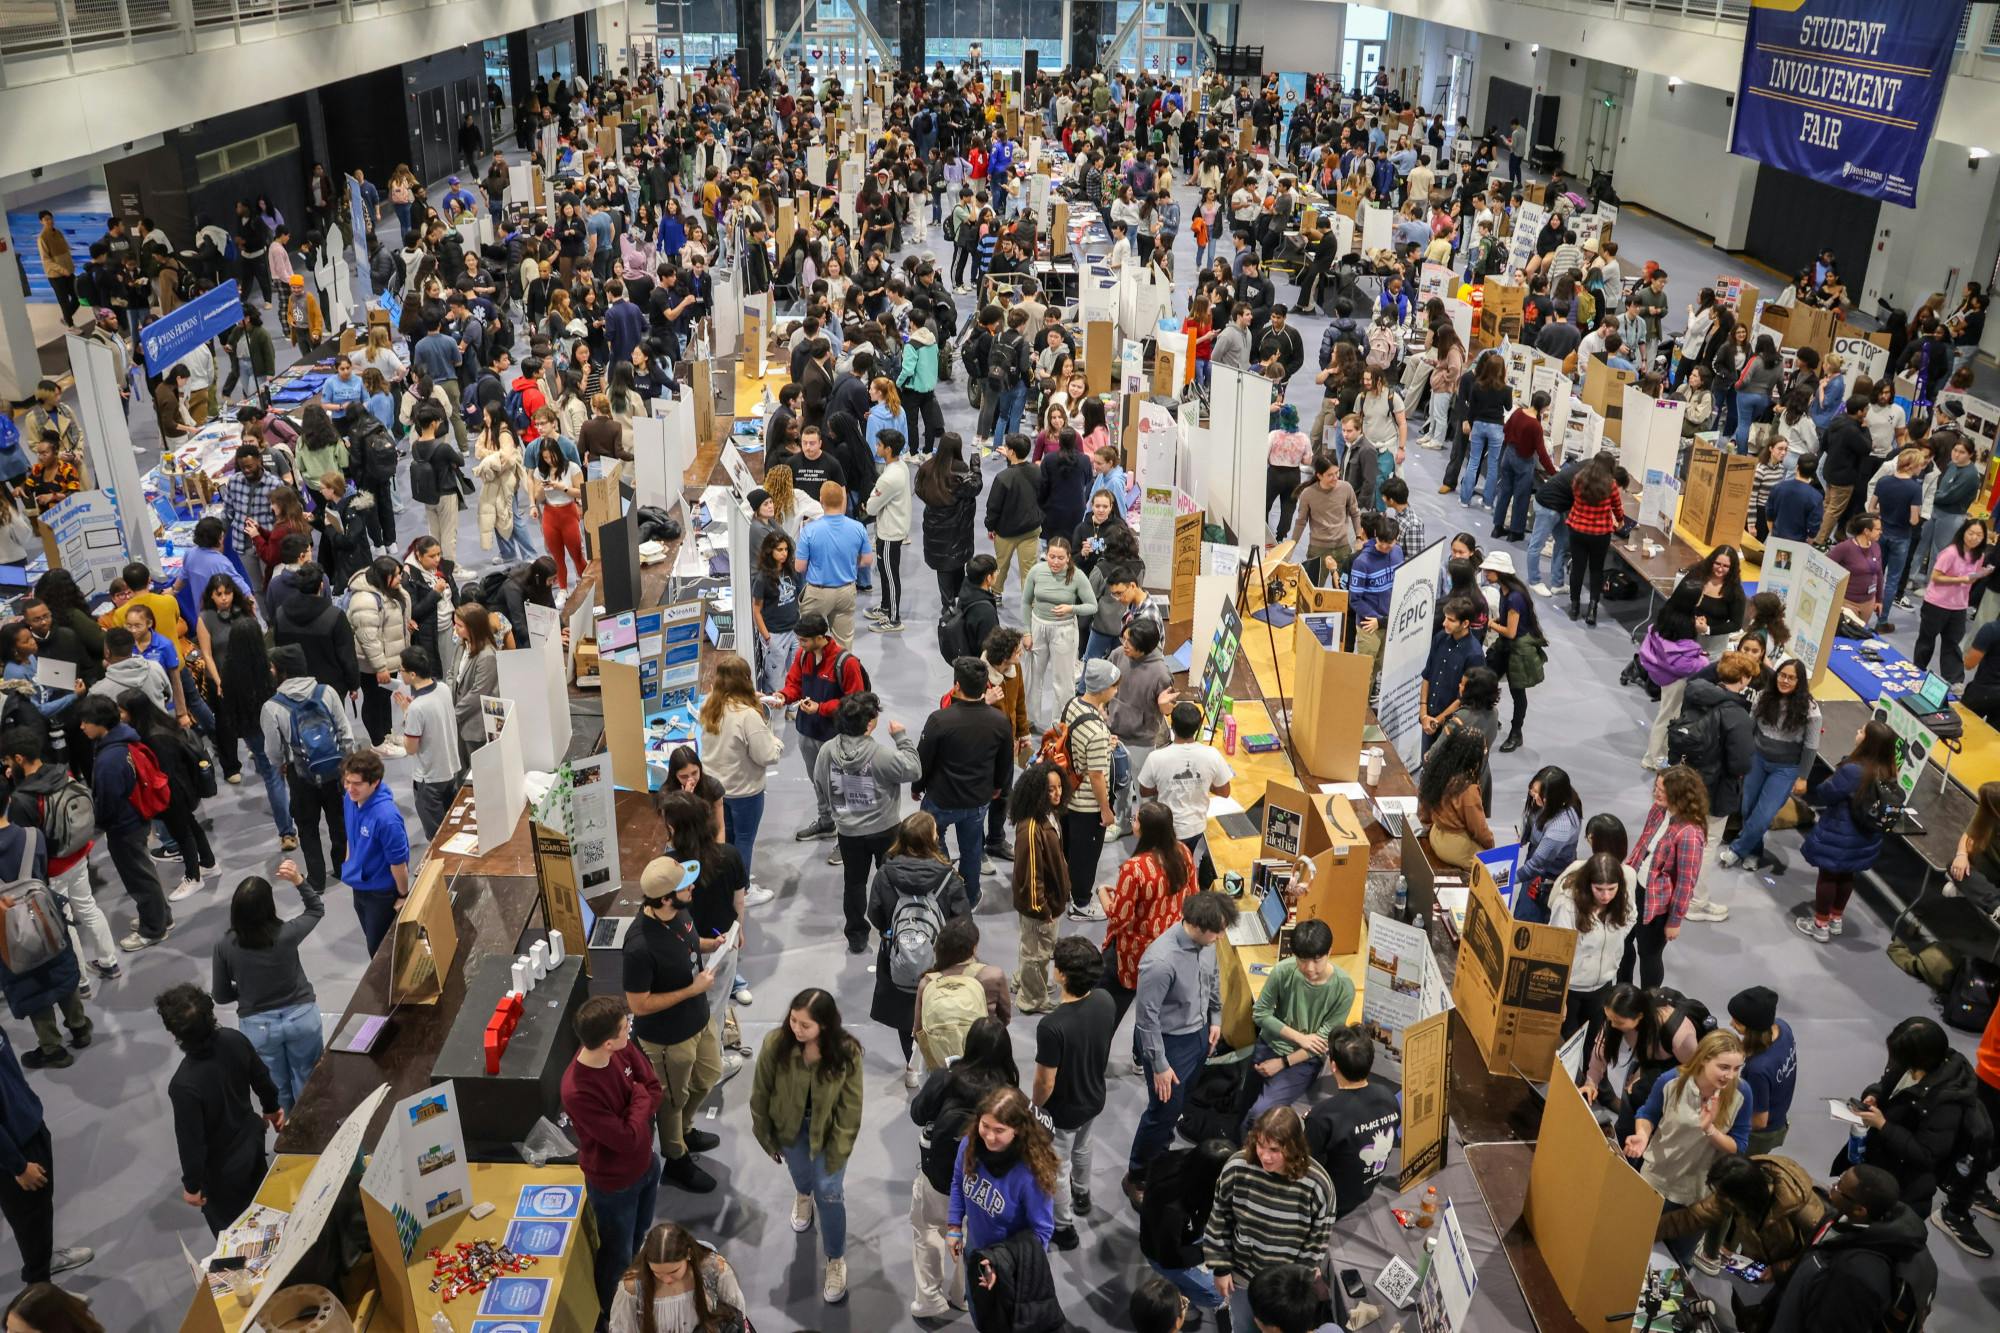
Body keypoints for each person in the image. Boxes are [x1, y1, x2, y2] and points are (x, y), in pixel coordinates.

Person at [750, 988, 865, 1304]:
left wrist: (840, 1150)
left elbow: (851, 1107)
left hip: (827, 1133)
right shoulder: (776, 1044)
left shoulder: (846, 1052)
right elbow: (761, 1092)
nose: (795, 1029)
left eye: (805, 1025)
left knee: (829, 1193)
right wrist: (765, 1135)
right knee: (801, 1176)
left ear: (824, 1026)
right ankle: (803, 1196)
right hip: (789, 1129)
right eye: (793, 1020)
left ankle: (835, 1258)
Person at [1125, 891, 1236, 1203]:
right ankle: (1138, 1174)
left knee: (1179, 1104)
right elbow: (1146, 1020)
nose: (1221, 936)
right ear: (1197, 926)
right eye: (1218, 930)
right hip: (1169, 1045)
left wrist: (1215, 1019)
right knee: (1162, 1111)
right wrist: (1159, 1065)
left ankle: (1161, 1155)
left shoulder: (1208, 944)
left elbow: (1213, 981)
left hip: (1199, 1035)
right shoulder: (1160, 961)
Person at [623, 855, 723, 1195]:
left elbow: (691, 944)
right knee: (671, 1101)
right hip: (666, 1039)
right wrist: (692, 990)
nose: (693, 886)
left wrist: (714, 944)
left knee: (709, 1074)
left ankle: (686, 1128)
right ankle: (676, 1156)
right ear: (665, 898)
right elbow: (638, 1004)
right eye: (685, 885)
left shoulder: (679, 912)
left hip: (698, 1019)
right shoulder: (639, 946)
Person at [560, 996, 665, 1316]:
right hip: (614, 1185)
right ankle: (614, 1313)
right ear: (608, 1042)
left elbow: (653, 1089)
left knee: (638, 1236)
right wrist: (640, 1100)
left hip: (646, 1163)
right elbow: (625, 1139)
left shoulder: (621, 1049)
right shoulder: (577, 1090)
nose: (630, 1031)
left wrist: (638, 1100)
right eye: (625, 1028)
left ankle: (633, 1284)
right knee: (616, 1255)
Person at [910, 1017, 1017, 1319]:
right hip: (985, 1184)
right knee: (972, 1237)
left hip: (939, 1174)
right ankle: (964, 1294)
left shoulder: (947, 1077)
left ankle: (929, 1297)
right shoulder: (1008, 1091)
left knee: (928, 1228)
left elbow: (918, 1113)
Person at [156, 983, 281, 1233]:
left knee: (233, 1233)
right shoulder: (235, 1039)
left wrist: (192, 1185)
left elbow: (191, 1141)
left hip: (222, 1172)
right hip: (252, 1143)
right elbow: (262, 1078)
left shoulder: (183, 1085)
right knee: (264, 1209)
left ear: (175, 1033)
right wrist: (271, 1107)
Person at [1833, 1017, 1980, 1223]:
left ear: (1919, 1058)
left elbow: (1927, 1155)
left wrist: (1883, 1125)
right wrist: (1874, 1094)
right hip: (1878, 1162)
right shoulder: (1906, 1064)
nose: (1893, 1062)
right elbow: (1886, 1084)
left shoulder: (1947, 1103)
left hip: (1904, 1186)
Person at [2, 730, 117, 988]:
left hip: (52, 869)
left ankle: (81, 981)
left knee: (64, 923)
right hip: (77, 854)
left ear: (19, 758)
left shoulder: (23, 799)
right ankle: (109, 961)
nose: (6, 766)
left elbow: (27, 842)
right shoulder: (63, 772)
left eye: (8, 760)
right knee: (87, 906)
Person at [1765, 1165, 1935, 1333]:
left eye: (1839, 1187)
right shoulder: (1840, 1217)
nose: (1833, 1186)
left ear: (1860, 1210)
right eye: (1839, 1180)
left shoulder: (1856, 1275)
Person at [868, 812, 972, 1084]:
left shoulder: (885, 874)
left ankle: (912, 1066)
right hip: (940, 961)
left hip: (899, 959)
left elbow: (874, 913)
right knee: (938, 1012)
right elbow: (963, 922)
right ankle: (938, 1066)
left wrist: (890, 935)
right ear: (931, 840)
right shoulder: (948, 877)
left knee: (905, 1013)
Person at [814, 692, 922, 954]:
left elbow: (820, 782)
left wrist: (840, 811)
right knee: (890, 881)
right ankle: (890, 928)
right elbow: (914, 769)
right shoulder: (882, 755)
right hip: (885, 829)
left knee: (854, 883)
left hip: (849, 832)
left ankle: (856, 934)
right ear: (870, 723)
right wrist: (902, 738)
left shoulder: (828, 750)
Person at [1206, 1108, 1337, 1322]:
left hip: (1283, 1285)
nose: (1265, 1156)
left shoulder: (1318, 1185)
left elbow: (1316, 1244)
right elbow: (1219, 1217)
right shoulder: (1237, 1167)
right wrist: (1220, 1268)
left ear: (1295, 1146)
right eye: (1260, 1145)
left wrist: (1293, 1287)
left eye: (1274, 1149)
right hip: (1242, 1277)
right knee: (1243, 1324)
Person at [211, 862, 322, 1112]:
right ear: (269, 906)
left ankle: (289, 1140)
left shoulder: (225, 945)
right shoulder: (287, 933)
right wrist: (298, 880)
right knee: (308, 1078)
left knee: (277, 1088)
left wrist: (245, 991)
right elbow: (316, 910)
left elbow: (220, 995)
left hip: (258, 1028)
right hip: (302, 1017)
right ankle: (311, 1133)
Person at [1033, 936, 1117, 1250]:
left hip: (1064, 1109)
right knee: (1085, 1146)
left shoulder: (1052, 1026)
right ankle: (1082, 1194)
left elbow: (1045, 1083)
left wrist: (1033, 1109)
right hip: (1094, 1096)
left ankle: (1063, 1226)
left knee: (1058, 1167)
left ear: (1062, 975)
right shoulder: (1105, 1001)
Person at [73, 694, 173, 951]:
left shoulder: (109, 760)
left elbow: (107, 803)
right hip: (137, 818)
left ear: (100, 723)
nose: (81, 727)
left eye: (85, 722)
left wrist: (97, 827)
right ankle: (161, 916)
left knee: (138, 877)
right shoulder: (125, 739)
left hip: (124, 826)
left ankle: (153, 929)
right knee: (145, 871)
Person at [915, 656, 1016, 903]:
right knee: (972, 850)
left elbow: (923, 760)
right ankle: (969, 896)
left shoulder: (939, 720)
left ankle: (944, 888)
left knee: (932, 843)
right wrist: (997, 788)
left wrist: (917, 787)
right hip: (977, 800)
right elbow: (1005, 762)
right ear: (986, 688)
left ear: (956, 686)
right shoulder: (999, 721)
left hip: (941, 798)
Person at [0, 789, 88, 1070]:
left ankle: (52, 1048)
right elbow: (42, 872)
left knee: (29, 982)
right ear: (9, 800)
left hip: (9, 933)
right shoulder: (32, 836)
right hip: (45, 917)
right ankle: (79, 1026)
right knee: (61, 970)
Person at [947, 1085, 1058, 1306]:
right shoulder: (970, 1144)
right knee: (979, 1310)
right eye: (984, 1125)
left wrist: (1004, 1264)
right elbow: (958, 1183)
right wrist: (954, 1226)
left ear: (1017, 1129)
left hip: (1010, 1267)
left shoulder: (1030, 1173)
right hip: (975, 1251)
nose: (988, 1136)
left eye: (999, 1130)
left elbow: (1042, 1232)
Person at [1242, 920, 1354, 1129]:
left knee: (1258, 1116)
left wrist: (1283, 1062)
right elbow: (1260, 1013)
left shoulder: (1343, 987)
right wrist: (1300, 1037)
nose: (1309, 968)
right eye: (1302, 960)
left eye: (1317, 959)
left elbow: (1320, 1044)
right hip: (1269, 1044)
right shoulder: (1282, 971)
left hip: (1303, 1060)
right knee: (1244, 1103)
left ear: (1330, 951)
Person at [1796, 719, 1897, 943]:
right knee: (1847, 875)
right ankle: (1836, 918)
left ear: (1869, 742)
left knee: (1829, 875)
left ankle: (1820, 925)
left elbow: (1826, 793)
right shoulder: (1888, 770)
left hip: (1840, 834)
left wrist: (1837, 773)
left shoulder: (1853, 770)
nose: (1858, 731)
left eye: (1862, 731)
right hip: (1865, 837)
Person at [1655, 1154, 1828, 1283]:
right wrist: (1648, 1231)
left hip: (1797, 1273)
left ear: (1742, 1196)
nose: (1720, 1200)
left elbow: (1822, 1251)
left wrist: (1779, 1270)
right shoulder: (1737, 1186)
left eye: (1724, 1197)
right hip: (1758, 1263)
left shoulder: (1800, 1207)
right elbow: (1694, 1217)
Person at [778, 611, 869, 844]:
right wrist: (782, 696)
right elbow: (794, 686)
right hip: (808, 733)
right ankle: (826, 822)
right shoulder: (802, 656)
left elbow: (855, 702)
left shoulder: (846, 663)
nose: (800, 644)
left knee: (844, 788)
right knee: (819, 782)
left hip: (837, 738)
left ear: (820, 637)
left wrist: (821, 708)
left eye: (804, 640)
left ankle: (848, 839)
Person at [699, 652, 783, 899]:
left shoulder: (709, 705)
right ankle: (743, 890)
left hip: (715, 789)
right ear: (746, 679)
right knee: (744, 841)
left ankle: (728, 882)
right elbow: (766, 755)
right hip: (744, 791)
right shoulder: (748, 717)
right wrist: (776, 741)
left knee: (725, 839)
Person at [1302, 1026, 1403, 1221]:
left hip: (1330, 1202)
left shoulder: (1323, 1115)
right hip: (1366, 1188)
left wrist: (1311, 1122)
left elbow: (1305, 1163)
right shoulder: (1387, 1096)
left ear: (1333, 1066)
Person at [1620, 766, 1708, 987]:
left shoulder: (1689, 833)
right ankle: (1623, 991)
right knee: (1622, 941)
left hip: (1657, 904)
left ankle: (1650, 1002)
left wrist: (1675, 920)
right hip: (1634, 888)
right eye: (1656, 787)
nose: (1656, 793)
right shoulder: (1658, 810)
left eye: (1662, 789)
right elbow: (1642, 845)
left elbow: (1686, 882)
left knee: (1648, 955)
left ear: (1678, 794)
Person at [1135, 703, 1232, 889]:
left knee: (1165, 867)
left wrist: (1166, 785)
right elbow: (1225, 791)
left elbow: (1144, 791)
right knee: (1184, 860)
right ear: (1197, 728)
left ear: (1172, 726)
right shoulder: (1212, 755)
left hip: (1165, 827)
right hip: (1195, 827)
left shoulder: (1157, 758)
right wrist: (1204, 783)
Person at [1138, 1137, 1235, 1320]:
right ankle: (1178, 1301)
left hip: (1183, 1234)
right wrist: (1207, 1250)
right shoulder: (1172, 1209)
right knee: (1219, 1292)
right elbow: (1170, 1256)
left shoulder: (1184, 1161)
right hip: (1164, 1253)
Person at [1056, 657, 1121, 921]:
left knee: (1069, 849)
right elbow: (1096, 776)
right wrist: (1105, 811)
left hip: (1067, 798)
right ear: (1103, 688)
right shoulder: (1096, 730)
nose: (1116, 690)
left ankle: (1066, 890)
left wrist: (1105, 745)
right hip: (1086, 806)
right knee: (1085, 857)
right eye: (1114, 686)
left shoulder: (1073, 704)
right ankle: (1081, 905)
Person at [1549, 850, 1637, 1042]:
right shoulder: (1567, 906)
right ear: (1588, 884)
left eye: (1611, 889)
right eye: (1599, 889)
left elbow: (1631, 917)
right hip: (1571, 988)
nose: (1606, 896)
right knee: (1569, 1042)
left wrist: (1615, 945)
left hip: (1602, 985)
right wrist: (1559, 996)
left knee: (1594, 1040)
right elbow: (1555, 951)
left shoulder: (1622, 898)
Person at [1008, 762, 1070, 1016]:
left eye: (1059, 788)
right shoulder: (1031, 828)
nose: (1057, 794)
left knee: (1034, 949)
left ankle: (1023, 980)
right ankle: (1031, 999)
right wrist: (1042, 909)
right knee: (1037, 953)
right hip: (1040, 909)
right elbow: (1031, 876)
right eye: (1050, 790)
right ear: (1036, 792)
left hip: (1050, 903)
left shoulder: (1049, 816)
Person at [606, 1221, 749, 1333]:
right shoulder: (633, 1286)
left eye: (673, 1271)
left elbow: (735, 1313)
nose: (667, 1280)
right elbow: (622, 1328)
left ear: (688, 1254)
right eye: (657, 1273)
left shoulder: (714, 1269)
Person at [1021, 537, 1096, 732]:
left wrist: (1071, 608)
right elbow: (1025, 602)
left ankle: (1060, 723)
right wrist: (1026, 632)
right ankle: (1028, 719)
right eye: (1051, 556)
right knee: (1032, 676)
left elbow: (1092, 606)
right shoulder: (1037, 571)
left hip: (1064, 630)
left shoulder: (1077, 576)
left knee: (1063, 680)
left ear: (1068, 557)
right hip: (1038, 626)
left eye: (1060, 558)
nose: (1055, 561)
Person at [393, 645, 462, 840]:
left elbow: (411, 748)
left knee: (437, 837)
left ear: (412, 674)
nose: (400, 673)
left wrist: (407, 713)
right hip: (450, 769)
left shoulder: (417, 708)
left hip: (429, 779)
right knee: (452, 830)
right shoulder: (443, 688)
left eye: (402, 670)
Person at [1915, 517, 1989, 683]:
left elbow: (1971, 578)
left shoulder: (1979, 556)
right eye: (1971, 533)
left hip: (1959, 606)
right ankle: (1917, 671)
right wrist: (1961, 579)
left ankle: (1955, 681)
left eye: (1979, 535)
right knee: (1927, 640)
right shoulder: (1951, 552)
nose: (1974, 537)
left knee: (1952, 643)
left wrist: (1981, 574)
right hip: (1936, 603)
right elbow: (1935, 577)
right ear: (1964, 532)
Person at [1415, 723, 1493, 871]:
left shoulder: (1438, 772)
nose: (1485, 751)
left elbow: (1424, 810)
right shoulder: (1467, 789)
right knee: (1490, 868)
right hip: (1454, 847)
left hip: (1436, 834)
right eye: (1483, 749)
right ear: (1472, 755)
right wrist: (1491, 846)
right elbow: (1479, 829)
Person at [1514, 766, 1583, 923]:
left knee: (1526, 923)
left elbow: (1537, 865)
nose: (1533, 796)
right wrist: (1524, 836)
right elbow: (1531, 816)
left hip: (1547, 878)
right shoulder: (1555, 798)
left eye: (1539, 794)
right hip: (1537, 858)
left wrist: (1507, 880)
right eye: (1533, 789)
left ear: (1555, 798)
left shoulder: (1560, 827)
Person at [1419, 595, 1484, 752]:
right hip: (1429, 719)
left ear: (1465, 623)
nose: (1444, 623)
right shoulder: (1440, 638)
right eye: (1445, 618)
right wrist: (1423, 714)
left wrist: (1438, 721)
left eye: (1451, 620)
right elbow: (1427, 675)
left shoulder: (1474, 655)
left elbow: (1464, 697)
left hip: (1452, 727)